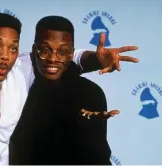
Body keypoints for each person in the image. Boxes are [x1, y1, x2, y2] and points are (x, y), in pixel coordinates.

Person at [0, 12, 138, 165]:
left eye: (13, 47)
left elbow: (61, 56)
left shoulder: (18, 69)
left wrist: (98, 60)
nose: (5, 56)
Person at [9, 16, 118, 165]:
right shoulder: (16, 82)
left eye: (62, 52)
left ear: (71, 54)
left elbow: (99, 157)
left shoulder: (90, 93)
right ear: (34, 50)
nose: (53, 58)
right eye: (45, 50)